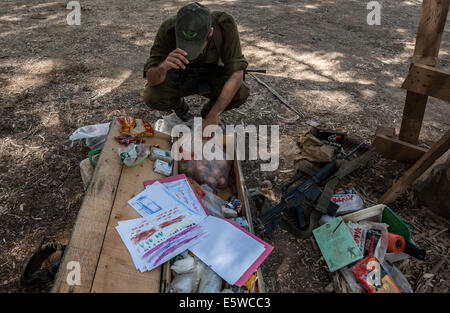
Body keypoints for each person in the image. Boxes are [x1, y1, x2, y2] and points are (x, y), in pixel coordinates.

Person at [141, 2, 249, 129]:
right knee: (152, 96)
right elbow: (151, 79)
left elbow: (237, 74)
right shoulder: (168, 28)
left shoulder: (224, 25)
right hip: (179, 79)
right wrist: (163, 66)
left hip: (213, 78)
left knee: (240, 92)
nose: (190, 51)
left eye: (196, 45)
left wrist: (213, 115)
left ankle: (208, 113)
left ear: (210, 33)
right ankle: (181, 109)